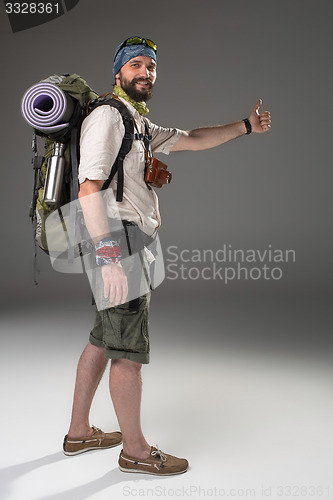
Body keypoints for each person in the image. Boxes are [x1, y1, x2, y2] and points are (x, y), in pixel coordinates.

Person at [63, 36, 271, 475]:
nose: (146, 73)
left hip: (123, 239)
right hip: (116, 241)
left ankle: (79, 432)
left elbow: (193, 138)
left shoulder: (137, 122)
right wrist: (110, 256)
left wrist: (245, 126)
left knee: (105, 338)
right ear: (117, 72)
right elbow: (88, 190)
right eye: (136, 64)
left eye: (151, 67)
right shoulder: (108, 116)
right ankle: (134, 451)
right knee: (127, 351)